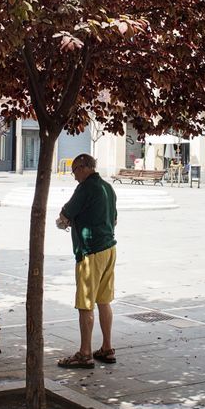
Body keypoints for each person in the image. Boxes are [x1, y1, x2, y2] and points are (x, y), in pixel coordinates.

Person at [55, 153, 117, 369]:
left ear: (83, 167)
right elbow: (114, 218)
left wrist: (64, 222)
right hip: (109, 248)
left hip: (90, 251)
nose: (74, 177)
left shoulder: (86, 188)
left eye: (74, 171)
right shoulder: (107, 187)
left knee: (85, 304)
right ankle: (107, 348)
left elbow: (66, 213)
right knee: (104, 301)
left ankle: (85, 353)